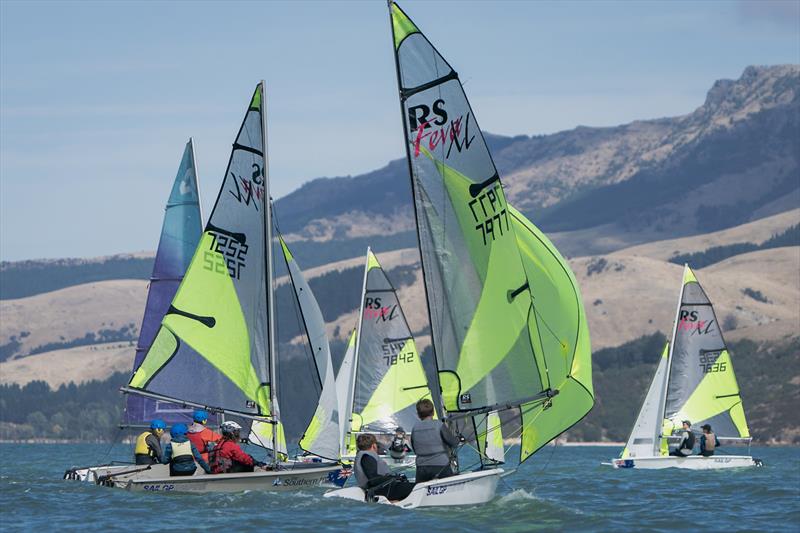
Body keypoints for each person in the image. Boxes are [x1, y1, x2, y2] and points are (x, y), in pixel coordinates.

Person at [411, 398, 461, 482]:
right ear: (433, 412)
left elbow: (415, 449)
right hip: (441, 466)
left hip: (422, 468)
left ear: (418, 414)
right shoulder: (439, 425)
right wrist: (458, 439)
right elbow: (453, 443)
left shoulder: (414, 428)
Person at [354, 433, 414, 502]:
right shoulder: (367, 457)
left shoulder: (363, 455)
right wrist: (394, 477)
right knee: (417, 487)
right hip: (381, 489)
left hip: (383, 488)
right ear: (373, 445)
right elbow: (373, 479)